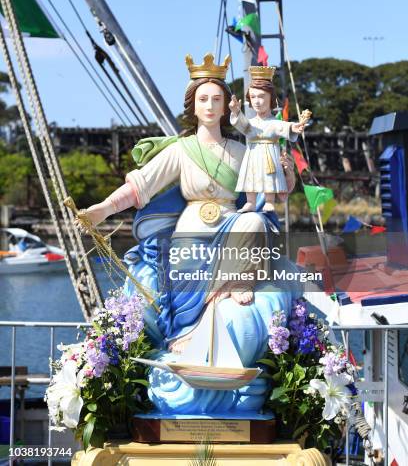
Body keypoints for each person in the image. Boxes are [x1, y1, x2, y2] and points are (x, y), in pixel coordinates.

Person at [78, 53, 297, 415]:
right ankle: (185, 333)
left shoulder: (244, 150)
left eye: (217, 99)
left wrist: (285, 173)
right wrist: (102, 209)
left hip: (231, 232)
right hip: (190, 240)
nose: (210, 106)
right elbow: (139, 187)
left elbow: (272, 189)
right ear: (192, 106)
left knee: (255, 222)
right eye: (203, 99)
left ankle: (226, 294)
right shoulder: (181, 150)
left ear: (228, 106)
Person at [229, 65, 309, 213]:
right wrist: (236, 112)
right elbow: (243, 126)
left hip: (269, 153)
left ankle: (269, 200)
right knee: (250, 176)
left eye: (261, 96)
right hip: (253, 152)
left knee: (270, 176)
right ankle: (250, 202)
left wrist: (294, 127)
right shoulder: (251, 122)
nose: (257, 101)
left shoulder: (274, 122)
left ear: (270, 98)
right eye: (253, 97)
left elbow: (284, 126)